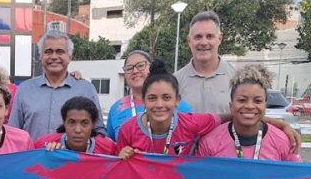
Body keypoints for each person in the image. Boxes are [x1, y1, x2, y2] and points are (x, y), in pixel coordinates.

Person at [116, 65, 299, 158]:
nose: (159, 104)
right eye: (152, 98)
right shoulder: (128, 130)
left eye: (166, 97)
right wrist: (121, 156)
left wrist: (277, 123)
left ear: (178, 100)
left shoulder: (192, 123)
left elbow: (233, 115)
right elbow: (114, 168)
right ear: (144, 101)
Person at [198, 65, 311, 174]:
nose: (250, 106)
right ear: (231, 106)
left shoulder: (282, 141)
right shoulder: (210, 142)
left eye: (258, 101)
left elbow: (299, 177)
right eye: (242, 100)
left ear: (265, 106)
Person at [9, 29, 105, 141]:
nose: (54, 57)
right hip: (34, 157)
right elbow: (13, 132)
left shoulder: (86, 89)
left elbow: (99, 131)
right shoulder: (25, 89)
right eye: (48, 51)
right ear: (41, 56)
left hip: (71, 158)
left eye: (60, 51)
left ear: (70, 56)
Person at [106, 50, 192, 140]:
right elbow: (112, 146)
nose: (134, 71)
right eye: (129, 68)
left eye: (140, 65)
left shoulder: (179, 105)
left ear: (151, 68)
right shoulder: (116, 108)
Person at [173, 11, 237, 114]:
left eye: (209, 36)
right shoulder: (175, 82)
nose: (203, 42)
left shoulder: (237, 78)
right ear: (189, 41)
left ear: (219, 39)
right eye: (198, 37)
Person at [35, 96, 116, 155]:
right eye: (72, 122)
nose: (78, 130)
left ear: (93, 124)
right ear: (64, 122)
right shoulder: (43, 146)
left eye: (84, 123)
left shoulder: (109, 149)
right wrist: (47, 158)